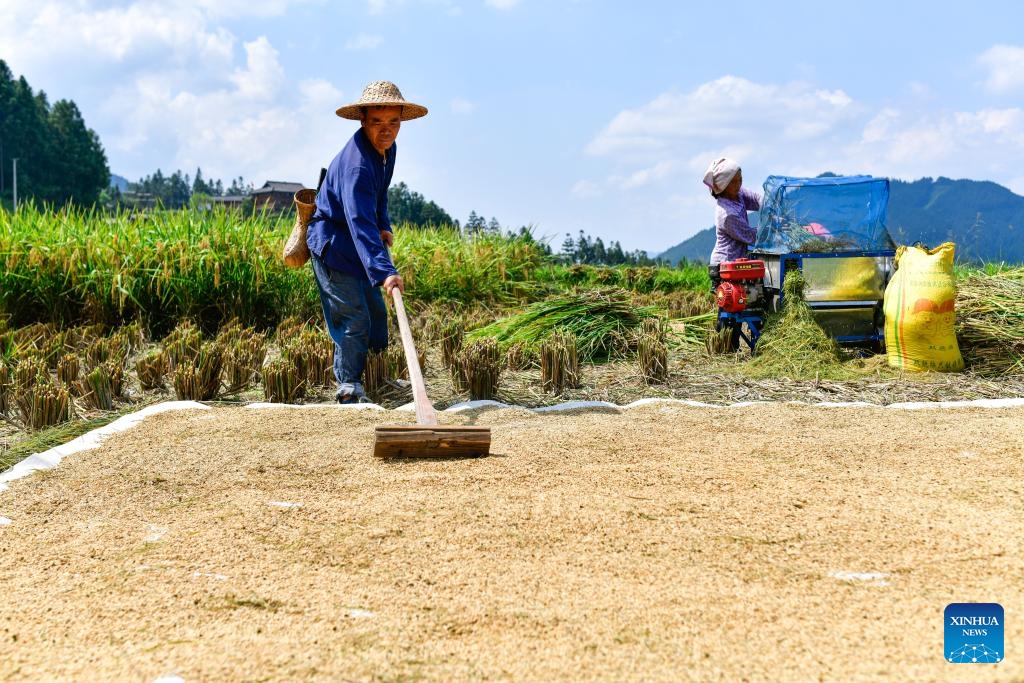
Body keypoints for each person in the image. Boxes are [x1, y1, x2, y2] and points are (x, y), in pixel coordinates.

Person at [305, 81, 428, 404]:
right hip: (334, 246)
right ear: (363, 121)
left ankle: (377, 375)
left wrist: (383, 225)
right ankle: (348, 387)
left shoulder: (387, 151)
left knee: (376, 314)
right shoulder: (357, 165)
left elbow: (379, 195)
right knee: (354, 317)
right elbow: (359, 221)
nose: (386, 130)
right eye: (377, 123)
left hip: (359, 242)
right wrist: (385, 271)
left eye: (393, 123)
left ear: (401, 120)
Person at [703, 157, 762, 277]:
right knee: (733, 295)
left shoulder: (737, 193)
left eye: (740, 180)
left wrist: (773, 206)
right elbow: (751, 236)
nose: (738, 184)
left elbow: (757, 199)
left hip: (738, 263)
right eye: (734, 182)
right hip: (726, 264)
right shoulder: (727, 215)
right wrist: (774, 230)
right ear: (723, 185)